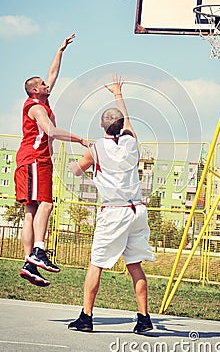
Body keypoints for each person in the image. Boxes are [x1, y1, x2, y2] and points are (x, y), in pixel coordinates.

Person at [68, 74, 155, 334]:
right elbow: (127, 122)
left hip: (114, 212)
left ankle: (86, 316)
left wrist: (73, 165)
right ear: (121, 126)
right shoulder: (131, 143)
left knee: (96, 263)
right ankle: (143, 318)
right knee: (134, 264)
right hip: (137, 210)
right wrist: (118, 93)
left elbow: (77, 169)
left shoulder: (96, 148)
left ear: (101, 125)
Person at [15, 34, 89, 287]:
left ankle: (29, 264)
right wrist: (79, 139)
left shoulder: (41, 100)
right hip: (35, 159)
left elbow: (53, 72)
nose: (48, 85)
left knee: (30, 211)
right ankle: (38, 251)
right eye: (44, 85)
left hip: (29, 160)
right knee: (45, 204)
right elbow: (50, 131)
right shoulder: (36, 107)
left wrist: (60, 50)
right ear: (36, 90)